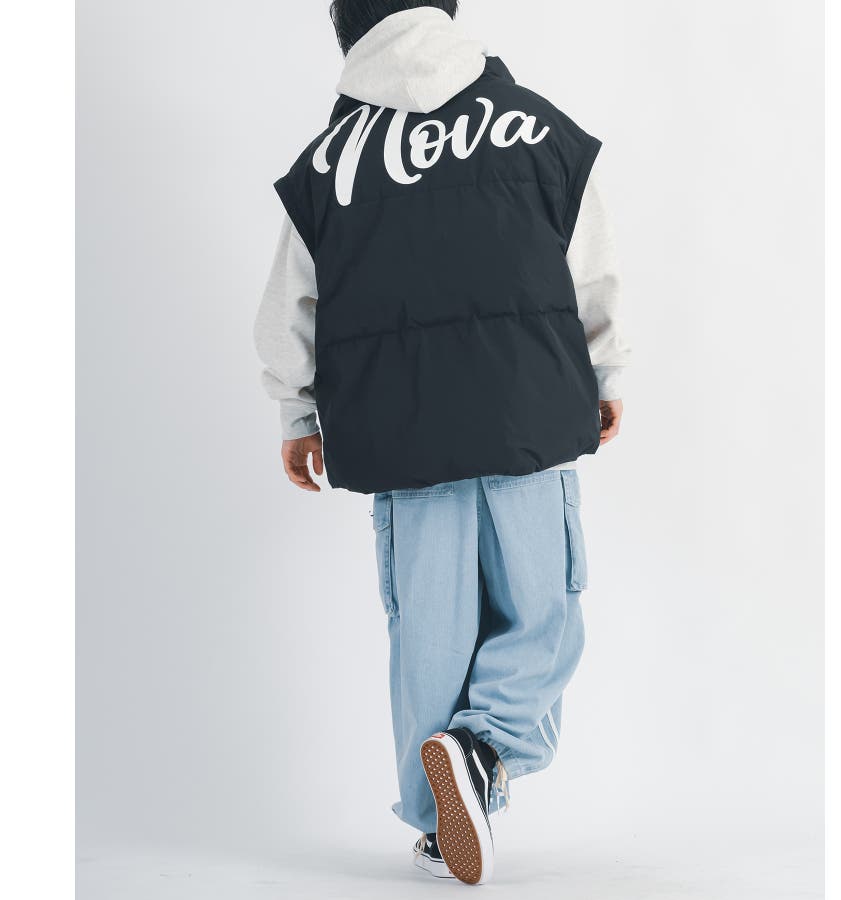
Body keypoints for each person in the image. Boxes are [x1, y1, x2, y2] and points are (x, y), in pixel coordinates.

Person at [254, 0, 629, 885]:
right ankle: (484, 749)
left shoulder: (329, 161)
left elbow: (290, 301)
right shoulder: (536, 128)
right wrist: (606, 369)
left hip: (399, 425)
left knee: (430, 628)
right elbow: (590, 262)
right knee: (542, 612)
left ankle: (438, 824)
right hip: (527, 406)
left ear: (348, 29)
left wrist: (297, 413)